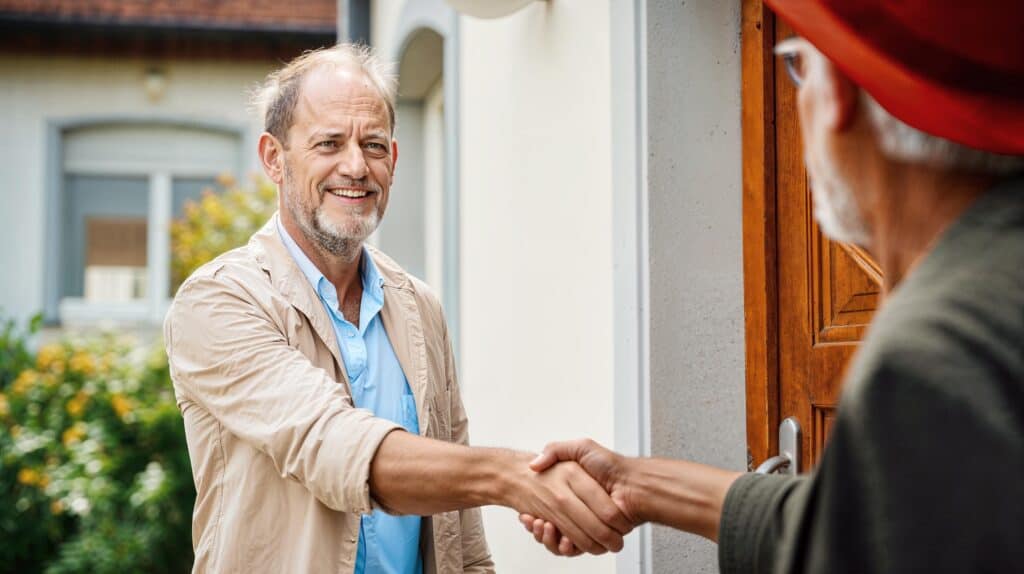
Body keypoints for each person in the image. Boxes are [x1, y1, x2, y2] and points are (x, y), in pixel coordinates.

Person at [521, 1, 1024, 572]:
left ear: (837, 93)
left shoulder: (937, 359)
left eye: (797, 67)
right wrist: (637, 483)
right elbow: (854, 519)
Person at [164, 44, 630, 573]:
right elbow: (332, 444)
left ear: (395, 158)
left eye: (374, 145)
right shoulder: (219, 301)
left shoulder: (419, 306)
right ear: (274, 157)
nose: (357, 166)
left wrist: (522, 492)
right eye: (329, 143)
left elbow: (461, 535)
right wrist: (519, 479)